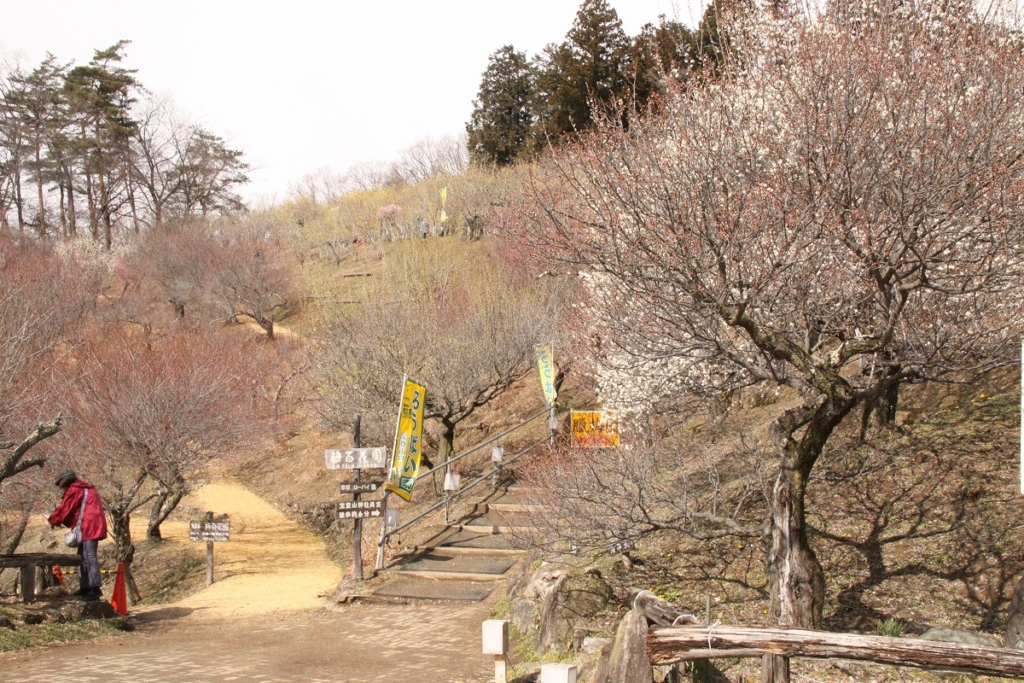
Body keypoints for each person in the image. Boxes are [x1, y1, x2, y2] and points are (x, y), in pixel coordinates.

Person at [49, 469, 108, 600]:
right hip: (92, 524)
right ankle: (86, 587)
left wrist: (53, 519)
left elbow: (65, 509)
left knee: (89, 556)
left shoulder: (75, 490)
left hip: (88, 526)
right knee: (83, 556)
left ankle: (93, 588)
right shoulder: (87, 488)